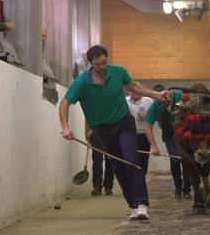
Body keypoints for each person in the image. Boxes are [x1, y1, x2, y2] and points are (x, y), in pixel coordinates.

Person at [59, 45, 166, 220]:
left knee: (131, 160)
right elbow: (64, 104)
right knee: (118, 167)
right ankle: (132, 206)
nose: (102, 67)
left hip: (124, 123)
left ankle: (141, 204)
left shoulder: (118, 72)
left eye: (104, 62)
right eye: (98, 64)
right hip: (102, 130)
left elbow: (134, 86)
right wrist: (65, 127)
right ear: (91, 63)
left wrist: (156, 94)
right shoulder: (81, 82)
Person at [145, 84, 191, 199]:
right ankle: (178, 186)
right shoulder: (154, 107)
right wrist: (154, 147)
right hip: (169, 133)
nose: (161, 98)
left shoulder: (178, 97)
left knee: (187, 159)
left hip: (184, 131)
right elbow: (148, 128)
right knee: (175, 159)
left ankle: (187, 188)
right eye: (158, 97)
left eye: (164, 96)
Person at [85, 125, 114, 196]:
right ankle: (97, 186)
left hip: (111, 131)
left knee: (110, 159)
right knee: (97, 159)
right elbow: (88, 115)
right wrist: (86, 131)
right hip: (96, 131)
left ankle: (108, 186)